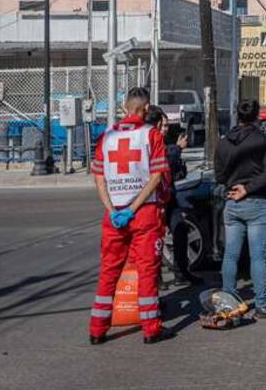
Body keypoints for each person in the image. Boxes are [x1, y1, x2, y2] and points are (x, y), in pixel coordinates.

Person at [88, 87, 172, 345]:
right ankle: (150, 328)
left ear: (125, 107)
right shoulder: (152, 135)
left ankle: (97, 329)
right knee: (147, 271)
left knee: (108, 272)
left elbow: (99, 179)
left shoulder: (106, 136)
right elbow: (157, 176)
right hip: (144, 214)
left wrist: (114, 212)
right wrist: (133, 209)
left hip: (113, 216)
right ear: (146, 109)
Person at [215, 98, 266, 318]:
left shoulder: (224, 142)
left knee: (231, 255)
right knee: (258, 256)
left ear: (237, 115)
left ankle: (228, 300)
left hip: (232, 204)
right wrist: (248, 187)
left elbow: (219, 175)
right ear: (257, 116)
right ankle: (262, 303)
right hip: (257, 203)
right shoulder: (263, 141)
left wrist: (232, 188)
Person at [146, 105, 199, 288]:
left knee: (180, 228)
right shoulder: (150, 143)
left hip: (169, 196)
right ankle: (156, 277)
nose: (166, 129)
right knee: (155, 238)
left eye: (167, 125)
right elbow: (163, 162)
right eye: (164, 125)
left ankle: (181, 272)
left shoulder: (165, 143)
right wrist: (177, 148)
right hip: (153, 198)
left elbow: (172, 168)